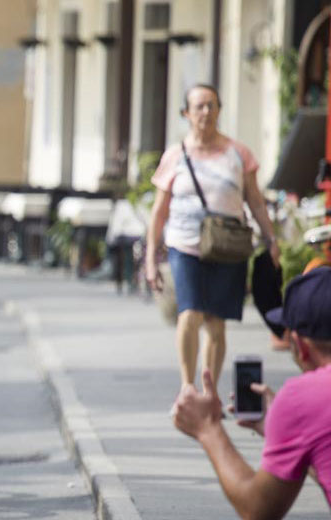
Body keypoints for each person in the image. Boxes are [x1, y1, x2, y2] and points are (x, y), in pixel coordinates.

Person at [145, 84, 279, 390]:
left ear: (219, 110)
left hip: (227, 247)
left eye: (211, 105)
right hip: (185, 245)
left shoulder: (238, 154)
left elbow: (255, 200)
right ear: (186, 114)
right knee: (190, 312)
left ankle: (209, 389)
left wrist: (271, 239)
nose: (206, 112)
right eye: (199, 107)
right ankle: (186, 387)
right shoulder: (175, 156)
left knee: (216, 323)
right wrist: (152, 258)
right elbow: (159, 211)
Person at [172, 267, 331, 518]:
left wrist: (208, 428)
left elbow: (257, 509)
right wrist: (290, 437)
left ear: (301, 346)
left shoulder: (304, 397)